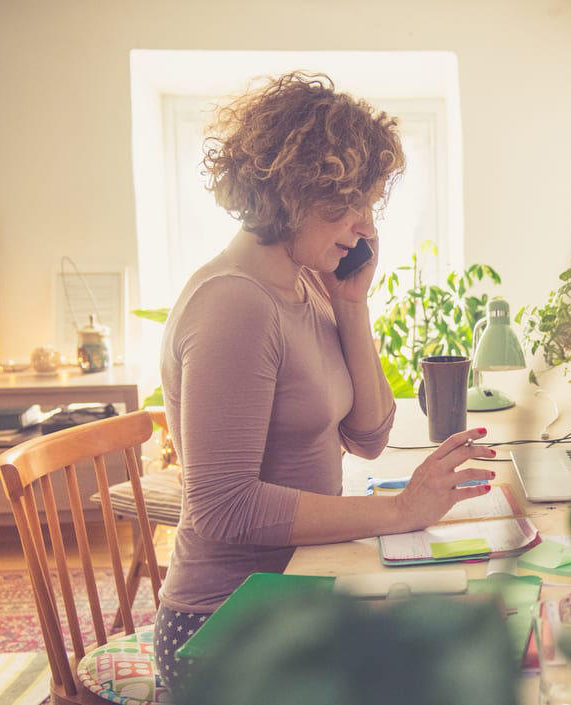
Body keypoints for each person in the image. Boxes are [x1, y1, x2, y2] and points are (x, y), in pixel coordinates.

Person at [152, 71, 495, 692]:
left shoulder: (308, 283)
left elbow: (368, 436)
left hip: (298, 598)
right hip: (227, 627)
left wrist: (353, 305)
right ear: (292, 192)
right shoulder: (234, 304)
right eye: (350, 203)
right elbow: (222, 506)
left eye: (370, 203)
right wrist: (397, 511)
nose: (366, 226)